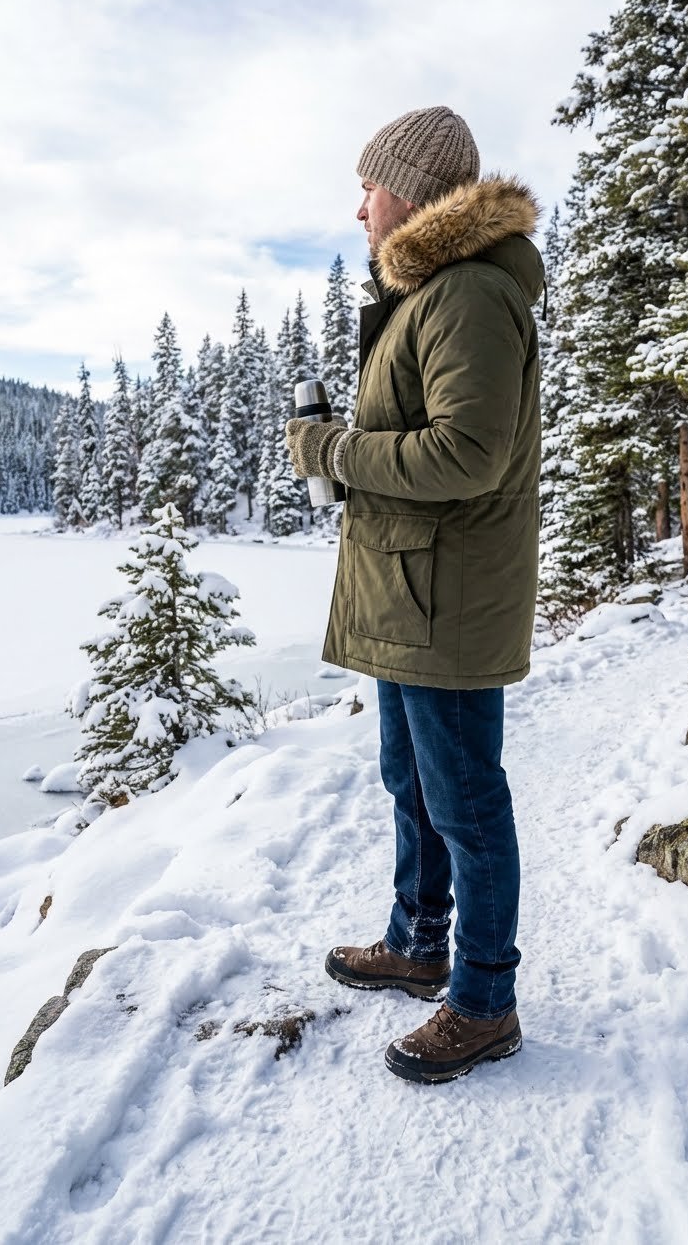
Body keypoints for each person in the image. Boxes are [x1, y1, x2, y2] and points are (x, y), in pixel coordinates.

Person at [284, 105, 544, 1084]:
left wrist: (335, 453)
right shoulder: (437, 293)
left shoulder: (471, 294)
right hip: (412, 595)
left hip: (446, 600)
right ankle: (418, 943)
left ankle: (483, 1002)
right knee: (413, 783)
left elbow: (466, 454)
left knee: (468, 802)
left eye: (370, 187)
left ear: (416, 193)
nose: (359, 208)